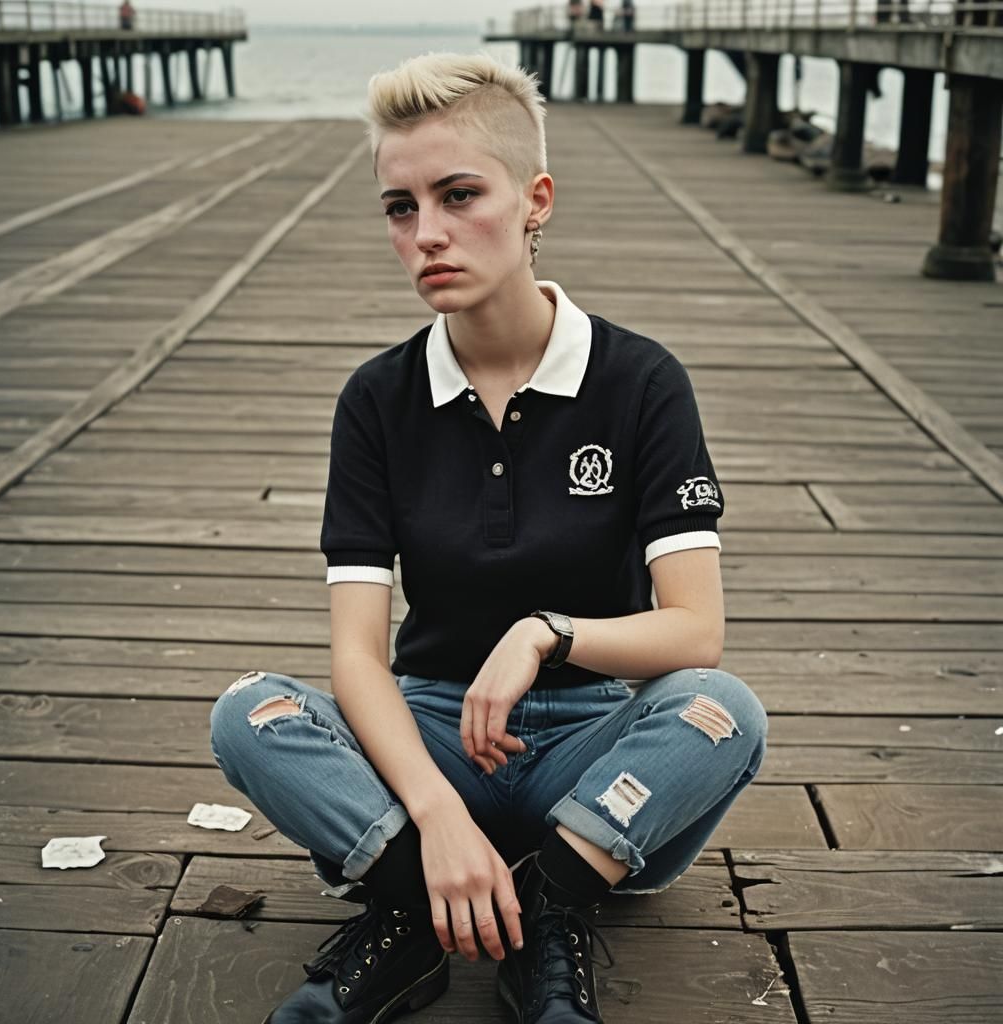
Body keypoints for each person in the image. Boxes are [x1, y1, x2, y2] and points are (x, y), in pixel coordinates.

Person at [209, 52, 767, 1024]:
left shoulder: (638, 383)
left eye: (458, 194)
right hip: (427, 736)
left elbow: (695, 634)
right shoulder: (379, 399)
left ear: (534, 199)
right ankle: (426, 905)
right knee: (248, 713)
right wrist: (432, 809)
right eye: (398, 206)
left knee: (723, 711)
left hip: (594, 749)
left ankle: (548, 899)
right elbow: (355, 653)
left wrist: (548, 631)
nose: (427, 232)